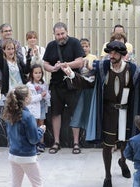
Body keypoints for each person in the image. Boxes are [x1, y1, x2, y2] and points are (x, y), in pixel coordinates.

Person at [61, 40, 140, 187]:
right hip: (108, 112)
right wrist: (70, 74)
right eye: (110, 53)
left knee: (125, 143)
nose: (112, 56)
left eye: (115, 53)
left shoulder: (133, 69)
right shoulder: (102, 67)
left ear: (122, 54)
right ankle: (107, 176)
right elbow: (88, 82)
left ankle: (123, 161)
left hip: (127, 112)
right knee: (107, 145)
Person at [43, 22, 85, 154]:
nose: (60, 36)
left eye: (62, 33)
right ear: (54, 34)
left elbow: (80, 62)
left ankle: (76, 142)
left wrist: (65, 65)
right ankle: (56, 142)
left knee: (75, 114)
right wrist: (54, 68)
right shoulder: (51, 45)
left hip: (73, 84)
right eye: (58, 34)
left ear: (67, 32)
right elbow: (45, 64)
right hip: (56, 85)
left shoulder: (75, 43)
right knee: (55, 114)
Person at [2, 85, 46, 187]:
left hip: (13, 154)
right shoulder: (28, 116)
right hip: (27, 156)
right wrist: (41, 130)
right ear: (26, 99)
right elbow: (33, 139)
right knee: (38, 184)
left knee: (16, 184)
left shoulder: (10, 113)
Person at [26, 64, 50, 154]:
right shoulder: (29, 85)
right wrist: (40, 95)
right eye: (36, 73)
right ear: (32, 74)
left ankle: (41, 143)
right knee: (34, 125)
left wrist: (45, 94)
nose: (38, 75)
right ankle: (33, 144)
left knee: (41, 124)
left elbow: (48, 96)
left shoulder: (44, 84)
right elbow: (30, 99)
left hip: (42, 107)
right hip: (33, 108)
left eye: (40, 72)